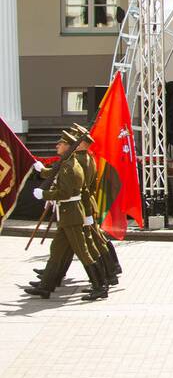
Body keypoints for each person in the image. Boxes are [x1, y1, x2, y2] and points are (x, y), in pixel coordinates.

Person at [23, 129, 109, 301]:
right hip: (67, 214)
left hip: (71, 215)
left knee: (83, 251)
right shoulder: (67, 163)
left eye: (60, 144)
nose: (57, 146)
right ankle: (45, 287)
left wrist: (45, 195)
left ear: (68, 147)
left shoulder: (70, 167)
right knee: (56, 250)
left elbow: (66, 192)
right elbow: (56, 172)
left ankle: (100, 286)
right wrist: (42, 170)